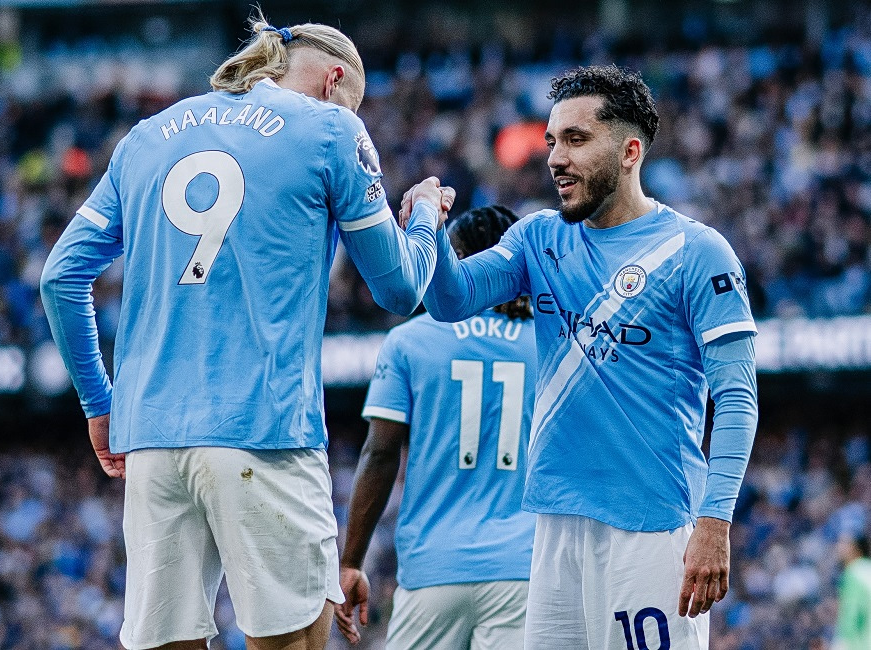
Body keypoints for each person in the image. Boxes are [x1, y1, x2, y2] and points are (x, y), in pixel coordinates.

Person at [40, 15, 450, 650]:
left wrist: (100, 403)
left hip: (152, 440)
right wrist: (423, 217)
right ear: (334, 80)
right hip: (266, 429)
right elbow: (399, 288)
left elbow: (60, 277)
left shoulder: (146, 137)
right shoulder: (331, 128)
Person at [404, 65, 759, 649]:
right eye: (551, 141)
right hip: (556, 524)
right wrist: (431, 229)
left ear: (630, 152)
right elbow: (451, 300)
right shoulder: (538, 237)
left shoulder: (697, 252)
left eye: (575, 139)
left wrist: (715, 521)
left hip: (652, 527)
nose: (555, 158)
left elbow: (738, 398)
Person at [335, 205, 538, 649]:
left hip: (432, 569)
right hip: (523, 569)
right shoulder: (546, 342)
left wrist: (351, 562)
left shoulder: (409, 341)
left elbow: (380, 453)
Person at [833, 534, 871, 650]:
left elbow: (851, 613)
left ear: (856, 548)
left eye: (844, 543)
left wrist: (842, 643)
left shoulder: (854, 573)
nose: (838, 547)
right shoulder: (867, 568)